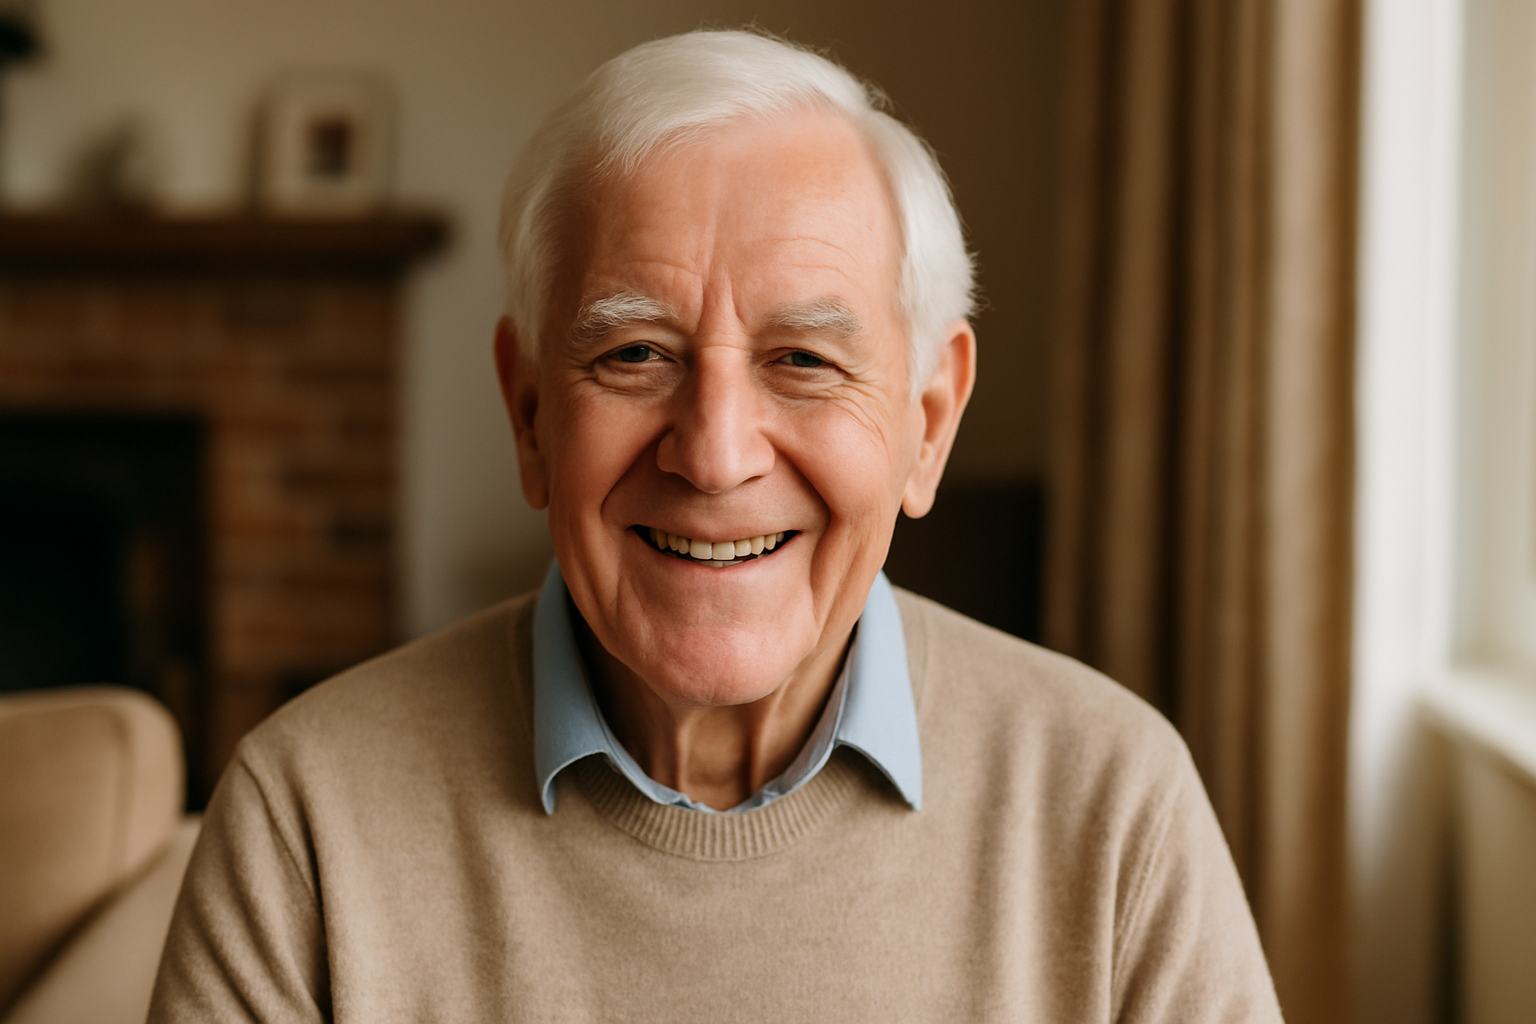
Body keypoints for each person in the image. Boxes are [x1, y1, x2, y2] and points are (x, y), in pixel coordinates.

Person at [149, 30, 1283, 1023]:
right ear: (531, 413)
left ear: (927, 424)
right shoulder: (306, 818)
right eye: (634, 354)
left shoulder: (1113, 803)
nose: (716, 451)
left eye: (804, 360)